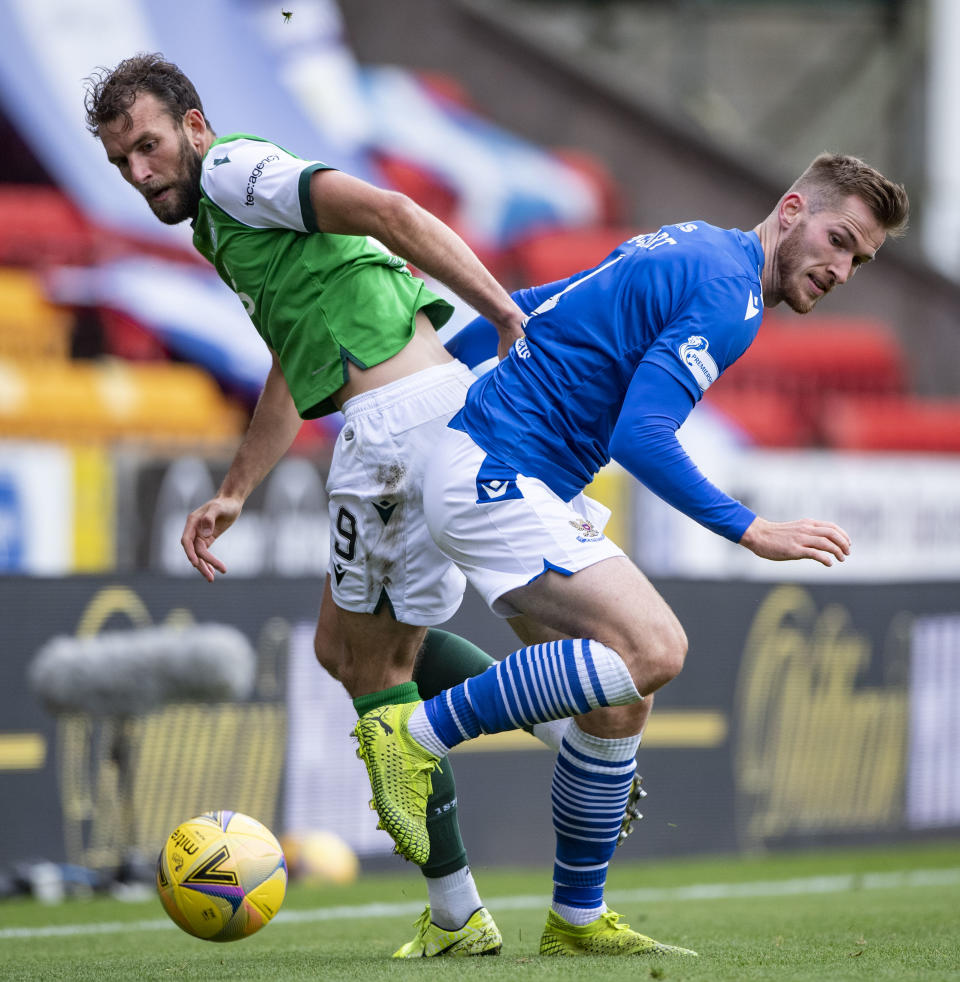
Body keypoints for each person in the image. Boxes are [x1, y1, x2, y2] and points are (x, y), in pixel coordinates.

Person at [353, 153, 910, 957]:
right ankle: (416, 736)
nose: (843, 268)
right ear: (791, 210)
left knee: (620, 703)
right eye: (839, 240)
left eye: (859, 258)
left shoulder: (696, 245)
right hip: (498, 471)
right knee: (654, 648)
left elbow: (537, 306)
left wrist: (440, 377)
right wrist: (750, 529)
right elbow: (640, 436)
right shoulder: (729, 293)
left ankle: (575, 920)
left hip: (508, 472)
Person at [82, 52, 564, 959]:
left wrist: (503, 309)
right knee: (364, 651)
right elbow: (289, 356)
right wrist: (235, 489)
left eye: (148, 147)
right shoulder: (222, 225)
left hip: (391, 427)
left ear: (191, 126)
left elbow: (391, 210)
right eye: (122, 163)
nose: (141, 174)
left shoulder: (231, 169)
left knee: (363, 663)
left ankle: (471, 892)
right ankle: (562, 724)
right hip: (430, 414)